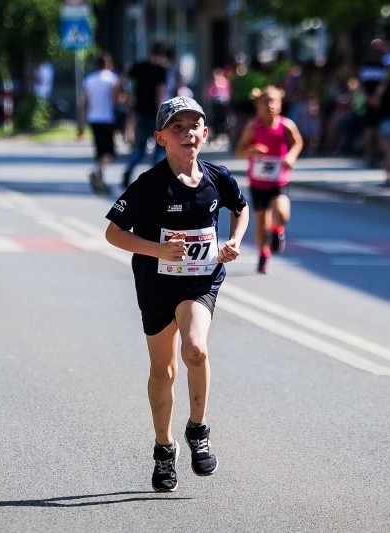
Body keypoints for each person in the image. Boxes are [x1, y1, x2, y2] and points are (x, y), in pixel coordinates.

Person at [104, 96, 249, 493]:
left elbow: (241, 207)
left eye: (193, 126)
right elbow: (113, 233)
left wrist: (234, 240)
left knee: (196, 349)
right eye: (177, 128)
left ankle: (198, 429)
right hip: (155, 283)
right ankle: (164, 448)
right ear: (161, 137)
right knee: (163, 371)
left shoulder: (217, 178)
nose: (187, 133)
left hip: (200, 281)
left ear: (205, 133)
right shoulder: (150, 184)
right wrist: (158, 250)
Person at [235, 85, 303, 274]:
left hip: (278, 180)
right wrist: (251, 151)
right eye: (266, 102)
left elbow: (297, 143)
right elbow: (239, 151)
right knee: (260, 223)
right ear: (258, 106)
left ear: (280, 105)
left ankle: (277, 230)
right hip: (258, 182)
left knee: (282, 213)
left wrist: (291, 157)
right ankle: (263, 255)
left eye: (274, 102)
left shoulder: (286, 125)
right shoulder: (253, 127)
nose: (270, 106)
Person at [121, 42, 168, 188]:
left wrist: (131, 102)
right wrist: (161, 112)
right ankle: (156, 178)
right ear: (161, 55)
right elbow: (159, 92)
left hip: (139, 112)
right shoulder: (160, 70)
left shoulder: (138, 67)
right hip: (154, 113)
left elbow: (128, 85)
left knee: (140, 148)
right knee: (159, 147)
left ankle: (128, 170)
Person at [78, 54, 121, 195]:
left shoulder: (89, 80)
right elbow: (115, 100)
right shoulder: (112, 79)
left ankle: (101, 181)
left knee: (99, 150)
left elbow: (84, 103)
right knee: (109, 152)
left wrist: (81, 125)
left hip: (93, 118)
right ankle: (97, 173)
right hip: (107, 118)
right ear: (108, 64)